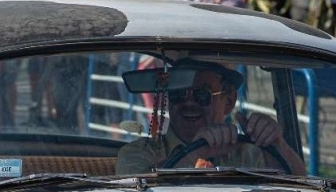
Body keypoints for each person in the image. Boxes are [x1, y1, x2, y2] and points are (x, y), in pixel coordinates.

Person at [115, 61, 301, 175]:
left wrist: (276, 145)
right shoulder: (137, 154)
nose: (188, 103)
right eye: (178, 93)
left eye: (201, 94)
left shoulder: (250, 154)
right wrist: (194, 154)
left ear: (229, 101)